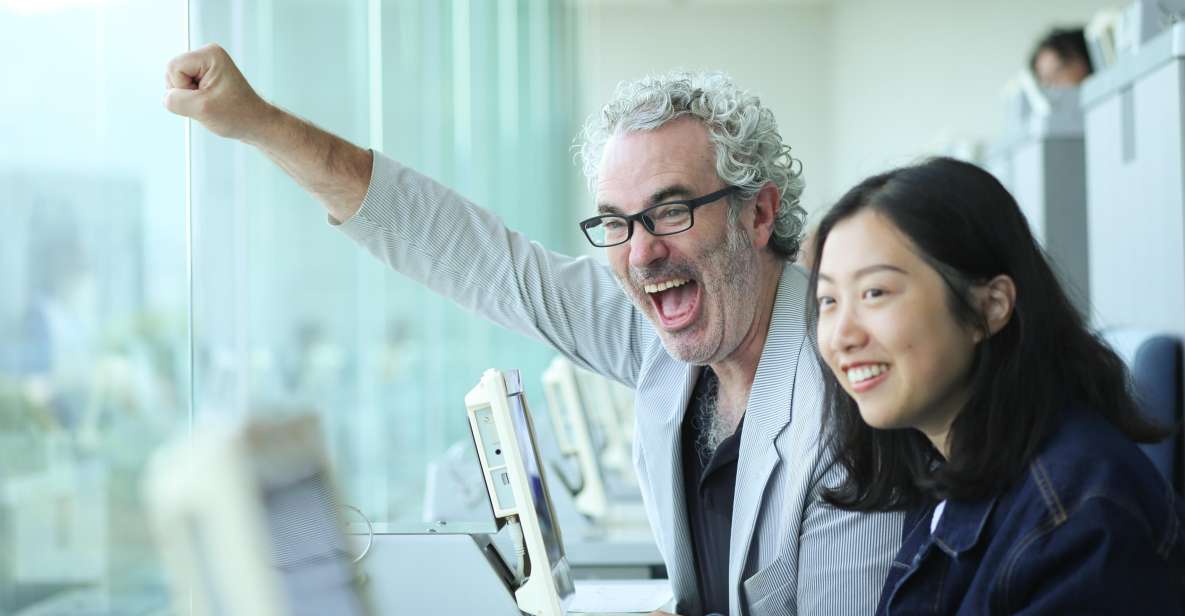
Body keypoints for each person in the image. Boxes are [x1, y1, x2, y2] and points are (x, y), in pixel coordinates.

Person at [163, 44, 901, 615]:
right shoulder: (668, 341)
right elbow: (470, 256)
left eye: (670, 211)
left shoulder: (847, 399)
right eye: (615, 223)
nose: (641, 251)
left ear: (758, 213)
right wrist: (259, 124)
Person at [810, 157, 1185, 614]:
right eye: (828, 300)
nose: (843, 335)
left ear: (990, 307)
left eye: (875, 293)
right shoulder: (945, 468)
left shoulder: (1078, 519)